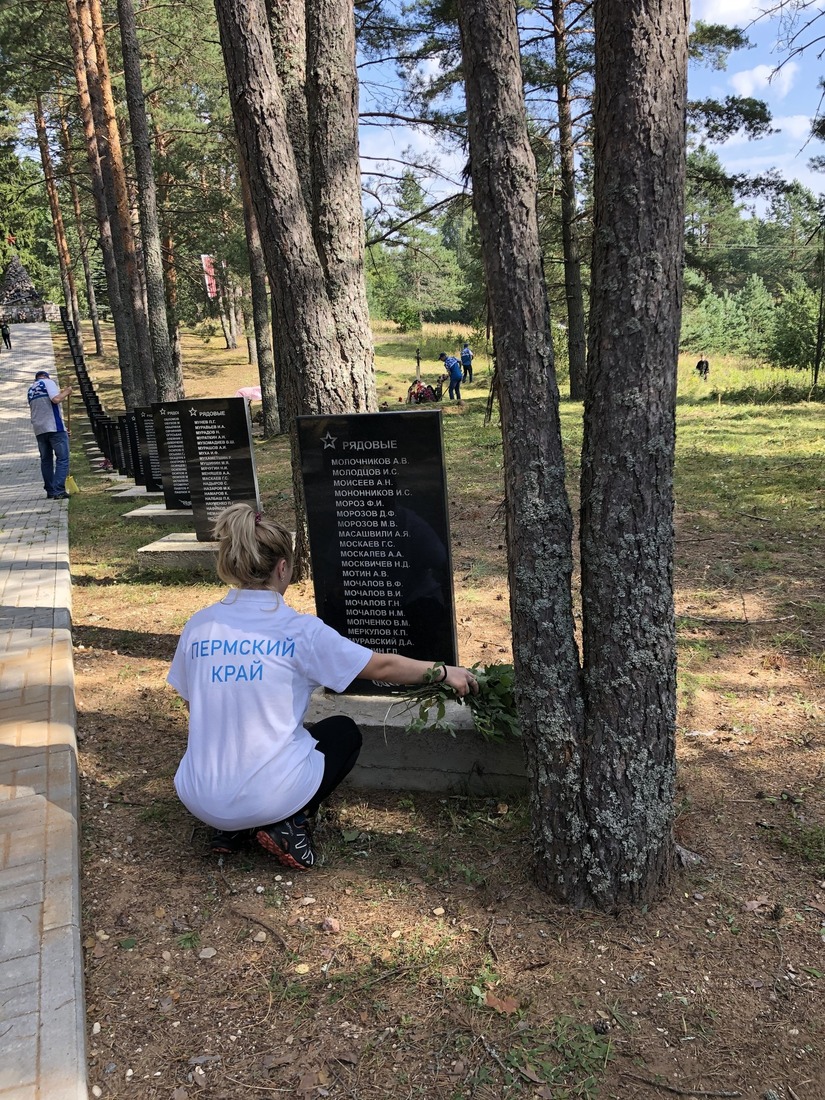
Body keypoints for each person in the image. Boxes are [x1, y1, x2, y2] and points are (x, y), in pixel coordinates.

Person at [166, 503, 478, 871]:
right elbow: (382, 665)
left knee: (285, 738)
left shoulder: (199, 626)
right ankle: (287, 825)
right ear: (282, 568)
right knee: (341, 733)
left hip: (199, 796)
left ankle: (230, 830)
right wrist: (442, 672)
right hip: (264, 798)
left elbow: (193, 701)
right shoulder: (299, 631)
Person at [27, 369, 73, 500]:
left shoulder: (31, 389)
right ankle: (59, 490)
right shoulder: (48, 382)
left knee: (46, 460)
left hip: (39, 430)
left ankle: (51, 491)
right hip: (54, 428)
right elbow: (56, 399)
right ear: (46, 377)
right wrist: (67, 392)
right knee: (62, 458)